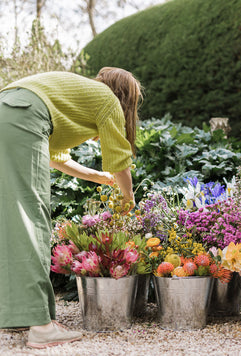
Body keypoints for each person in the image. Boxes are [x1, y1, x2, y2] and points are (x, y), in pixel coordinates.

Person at [0, 67, 142, 348]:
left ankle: (17, 314)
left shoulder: (75, 94)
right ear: (126, 99)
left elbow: (55, 157)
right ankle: (41, 328)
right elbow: (119, 158)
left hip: (7, 110)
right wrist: (128, 199)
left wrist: (95, 176)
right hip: (23, 116)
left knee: (9, 220)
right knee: (31, 217)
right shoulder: (107, 100)